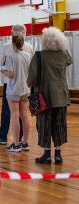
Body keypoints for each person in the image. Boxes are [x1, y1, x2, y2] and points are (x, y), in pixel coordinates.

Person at [27, 27, 73, 164]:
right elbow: (69, 61)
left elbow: (32, 79)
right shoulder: (64, 54)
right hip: (62, 95)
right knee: (59, 124)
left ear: (45, 41)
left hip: (45, 96)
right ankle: (58, 155)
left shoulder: (39, 56)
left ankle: (46, 155)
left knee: (44, 125)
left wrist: (30, 84)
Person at [0, 24, 34, 145]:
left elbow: (3, 64)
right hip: (25, 84)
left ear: (12, 33)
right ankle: (22, 140)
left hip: (11, 84)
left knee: (9, 112)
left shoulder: (7, 47)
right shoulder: (29, 48)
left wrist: (3, 69)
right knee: (24, 114)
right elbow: (33, 67)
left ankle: (4, 137)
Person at [1, 34, 32, 152]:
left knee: (15, 116)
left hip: (14, 89)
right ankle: (25, 143)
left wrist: (2, 69)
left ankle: (16, 144)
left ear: (12, 44)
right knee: (25, 116)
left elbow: (10, 74)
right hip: (25, 88)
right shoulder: (28, 55)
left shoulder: (10, 56)